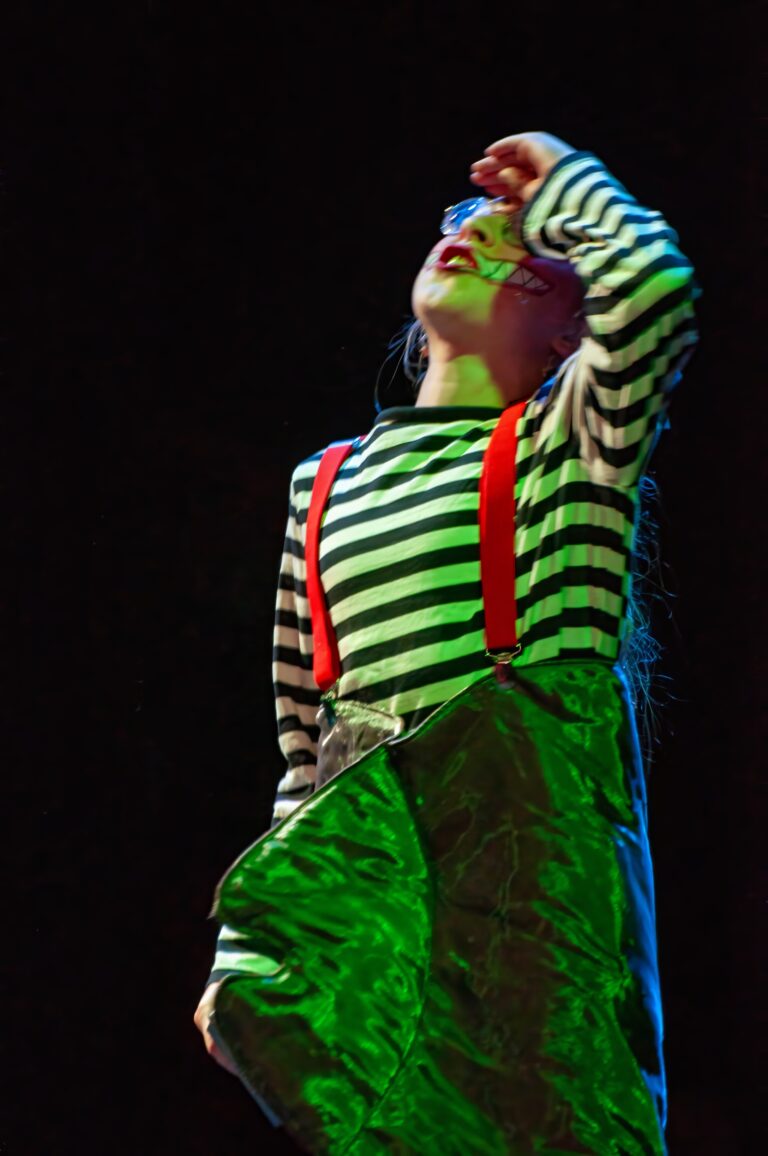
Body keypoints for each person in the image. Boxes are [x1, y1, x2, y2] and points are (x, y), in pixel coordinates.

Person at [195, 131, 698, 1153]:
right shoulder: (322, 487)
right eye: (468, 225)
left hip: (537, 949)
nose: (479, 238)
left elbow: (656, 289)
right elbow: (310, 756)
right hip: (393, 959)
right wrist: (252, 952)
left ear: (572, 329)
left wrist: (564, 184)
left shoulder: (566, 460)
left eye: (524, 248)